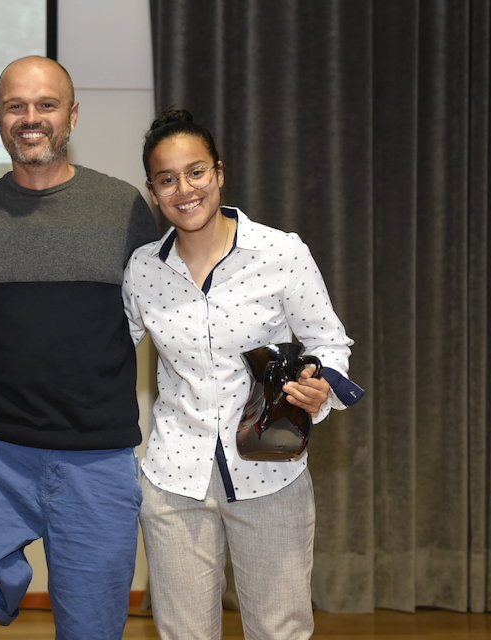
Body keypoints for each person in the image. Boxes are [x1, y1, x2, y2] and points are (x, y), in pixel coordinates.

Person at [122, 109, 363, 639]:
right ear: (153, 191)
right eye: (167, 179)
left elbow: (329, 340)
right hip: (173, 480)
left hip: (271, 470)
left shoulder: (281, 252)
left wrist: (320, 388)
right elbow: (109, 351)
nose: (184, 189)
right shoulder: (142, 268)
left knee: (281, 630)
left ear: (219, 172)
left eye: (196, 172)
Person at [0, 55, 158, 639]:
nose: (30, 118)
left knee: (92, 627)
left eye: (46, 104)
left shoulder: (123, 209)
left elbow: (170, 305)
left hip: (97, 455)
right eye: (15, 106)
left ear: (73, 115)